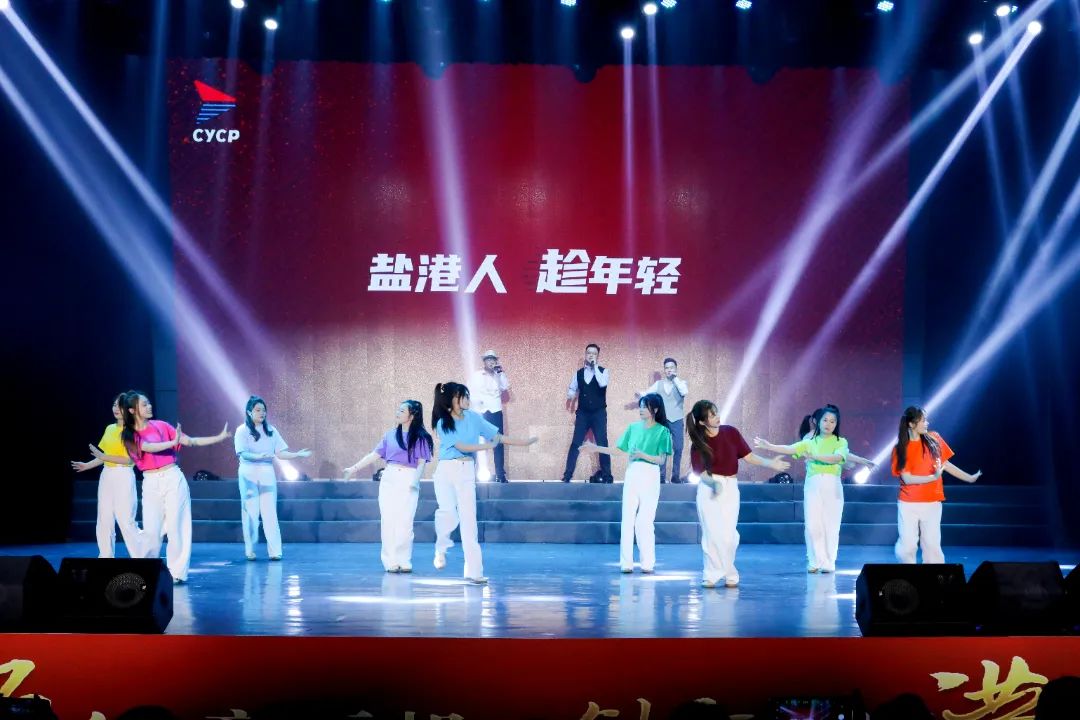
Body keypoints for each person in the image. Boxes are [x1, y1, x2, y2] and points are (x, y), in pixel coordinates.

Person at [94, 390, 229, 584]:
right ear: (132, 410)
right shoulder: (128, 435)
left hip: (173, 477)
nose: (149, 407)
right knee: (151, 531)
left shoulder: (161, 425)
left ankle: (177, 573)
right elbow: (148, 447)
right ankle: (148, 569)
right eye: (144, 404)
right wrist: (172, 442)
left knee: (177, 526)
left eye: (149, 403)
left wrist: (218, 438)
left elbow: (189, 441)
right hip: (150, 481)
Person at [431, 382, 538, 584]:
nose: (467, 399)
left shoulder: (474, 418)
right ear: (452, 399)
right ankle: (440, 549)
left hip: (466, 471)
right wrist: (487, 446)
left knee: (469, 521)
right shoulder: (443, 422)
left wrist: (524, 442)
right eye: (463, 396)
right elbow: (462, 445)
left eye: (468, 395)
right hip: (446, 471)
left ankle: (474, 571)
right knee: (448, 514)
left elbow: (498, 437)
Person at [686, 400, 790, 588]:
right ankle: (711, 574)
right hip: (709, 488)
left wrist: (770, 464)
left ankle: (728, 571)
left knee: (729, 535)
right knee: (712, 533)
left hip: (731, 487)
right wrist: (714, 484)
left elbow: (749, 456)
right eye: (711, 415)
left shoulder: (731, 432)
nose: (717, 417)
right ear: (702, 422)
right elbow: (701, 473)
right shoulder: (699, 443)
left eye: (716, 412)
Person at [582, 393, 672, 573]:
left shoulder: (663, 431)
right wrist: (595, 448)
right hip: (633, 473)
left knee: (645, 521)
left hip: (650, 475)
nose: (641, 409)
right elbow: (618, 450)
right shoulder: (633, 428)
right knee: (628, 519)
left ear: (654, 409)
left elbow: (662, 459)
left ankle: (647, 563)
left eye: (645, 406)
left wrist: (643, 455)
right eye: (640, 406)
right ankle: (626, 563)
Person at [754, 405, 850, 573]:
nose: (828, 424)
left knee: (831, 525)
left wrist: (815, 456)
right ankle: (814, 561)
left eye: (832, 421)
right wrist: (769, 446)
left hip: (832, 485)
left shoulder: (841, 442)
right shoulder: (809, 442)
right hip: (813, 484)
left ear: (837, 424)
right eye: (825, 420)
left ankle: (829, 562)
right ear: (818, 422)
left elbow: (837, 458)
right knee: (812, 524)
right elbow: (790, 448)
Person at [344, 400, 433, 573]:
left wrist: (415, 482)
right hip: (389, 477)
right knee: (388, 520)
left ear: (412, 415)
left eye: (402, 410)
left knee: (405, 521)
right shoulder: (390, 435)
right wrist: (353, 468)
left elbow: (421, 463)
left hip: (409, 478)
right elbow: (374, 455)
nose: (398, 413)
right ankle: (390, 561)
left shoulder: (421, 437)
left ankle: (404, 559)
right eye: (398, 410)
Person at [891, 406, 981, 564]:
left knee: (932, 546)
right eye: (923, 420)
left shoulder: (934, 439)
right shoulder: (901, 449)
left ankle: (935, 576)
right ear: (911, 424)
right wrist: (933, 477)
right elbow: (908, 479)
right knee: (907, 546)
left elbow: (946, 464)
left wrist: (969, 478)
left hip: (932, 502)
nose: (927, 423)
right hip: (908, 504)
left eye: (926, 420)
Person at [234, 395, 311, 562]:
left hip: (266, 472)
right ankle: (250, 550)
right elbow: (242, 453)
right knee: (250, 512)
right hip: (248, 472)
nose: (262, 413)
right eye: (258, 410)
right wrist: (257, 456)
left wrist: (297, 454)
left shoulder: (271, 430)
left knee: (269, 512)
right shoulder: (242, 430)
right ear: (249, 412)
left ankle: (275, 551)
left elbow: (280, 453)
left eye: (264, 410)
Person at [71, 394, 144, 559]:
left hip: (123, 474)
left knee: (126, 520)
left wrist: (104, 457)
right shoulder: (110, 429)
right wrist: (87, 465)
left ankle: (140, 557)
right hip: (107, 475)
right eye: (114, 405)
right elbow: (103, 456)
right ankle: (105, 556)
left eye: (120, 406)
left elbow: (129, 459)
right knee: (104, 519)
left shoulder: (133, 431)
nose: (116, 409)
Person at [562, 343, 613, 483]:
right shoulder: (578, 373)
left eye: (594, 353)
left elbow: (602, 383)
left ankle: (607, 476)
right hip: (583, 414)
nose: (591, 355)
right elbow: (572, 388)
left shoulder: (603, 371)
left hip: (599, 413)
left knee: (602, 443)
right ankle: (567, 475)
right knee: (575, 443)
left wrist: (595, 367)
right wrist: (571, 395)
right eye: (589, 353)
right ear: (585, 355)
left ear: (597, 356)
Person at [637, 357, 688, 483]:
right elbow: (647, 393)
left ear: (676, 369)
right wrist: (640, 395)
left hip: (677, 419)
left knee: (678, 447)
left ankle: (675, 475)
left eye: (671, 367)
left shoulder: (681, 383)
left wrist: (675, 379)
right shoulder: (658, 384)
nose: (669, 370)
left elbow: (684, 392)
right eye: (667, 368)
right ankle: (661, 475)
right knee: (662, 448)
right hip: (663, 420)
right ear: (664, 370)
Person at [467, 349, 511, 483]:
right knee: (475, 442)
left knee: (498, 443)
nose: (491, 362)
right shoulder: (476, 375)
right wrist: (475, 404)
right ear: (484, 362)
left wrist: (500, 373)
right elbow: (469, 391)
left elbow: (505, 387)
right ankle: (470, 474)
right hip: (480, 412)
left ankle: (500, 474)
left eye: (493, 359)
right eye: (489, 359)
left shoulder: (499, 374)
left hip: (495, 411)